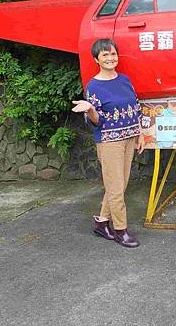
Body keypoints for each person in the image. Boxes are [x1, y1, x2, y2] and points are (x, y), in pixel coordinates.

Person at [72, 38, 145, 248]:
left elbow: (136, 107)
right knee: (115, 188)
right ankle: (121, 230)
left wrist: (139, 133)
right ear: (96, 59)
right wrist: (90, 109)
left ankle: (101, 222)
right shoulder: (93, 86)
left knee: (119, 185)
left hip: (130, 137)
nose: (110, 58)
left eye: (113, 54)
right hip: (109, 141)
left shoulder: (124, 79)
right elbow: (96, 121)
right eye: (105, 55)